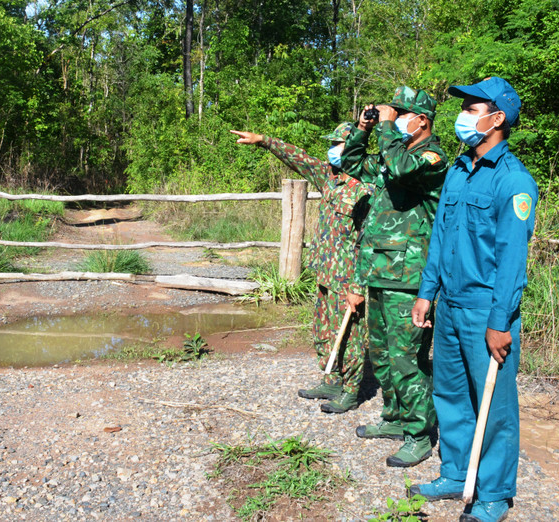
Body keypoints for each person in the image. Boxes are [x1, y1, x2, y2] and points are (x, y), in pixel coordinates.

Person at [409, 76, 537, 522]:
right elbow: (440, 239)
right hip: (450, 306)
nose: (463, 115)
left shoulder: (514, 181)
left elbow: (511, 262)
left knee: (495, 407)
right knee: (450, 392)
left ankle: (494, 495)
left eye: (471, 107)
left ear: (496, 118)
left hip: (487, 310)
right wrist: (428, 293)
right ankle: (456, 472)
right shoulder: (458, 172)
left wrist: (500, 322)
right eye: (463, 107)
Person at [230, 124, 373, 413]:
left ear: (353, 147)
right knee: (323, 328)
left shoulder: (364, 189)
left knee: (352, 335)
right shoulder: (328, 177)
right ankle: (331, 378)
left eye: (337, 143)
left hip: (346, 278)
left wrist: (358, 287)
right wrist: (263, 140)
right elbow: (298, 158)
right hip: (324, 271)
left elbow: (366, 242)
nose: (331, 149)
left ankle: (350, 389)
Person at [339, 86, 448, 467]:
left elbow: (401, 168)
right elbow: (351, 165)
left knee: (407, 359)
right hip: (380, 272)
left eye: (402, 114)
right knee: (381, 354)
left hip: (409, 277)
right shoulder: (392, 152)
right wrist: (363, 129)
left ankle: (418, 434)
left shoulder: (431, 158)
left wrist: (386, 128)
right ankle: (395, 418)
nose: (395, 118)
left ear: (422, 121)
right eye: (393, 113)